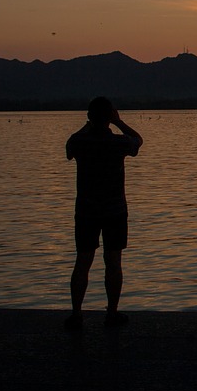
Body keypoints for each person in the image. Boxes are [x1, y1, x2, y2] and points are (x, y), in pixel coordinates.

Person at [64, 97, 143, 330]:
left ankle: (76, 313)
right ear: (110, 116)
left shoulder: (80, 141)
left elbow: (69, 147)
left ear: (89, 117)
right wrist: (119, 122)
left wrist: (88, 126)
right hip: (115, 210)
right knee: (113, 261)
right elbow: (138, 141)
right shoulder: (118, 143)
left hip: (86, 210)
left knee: (83, 261)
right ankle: (112, 312)